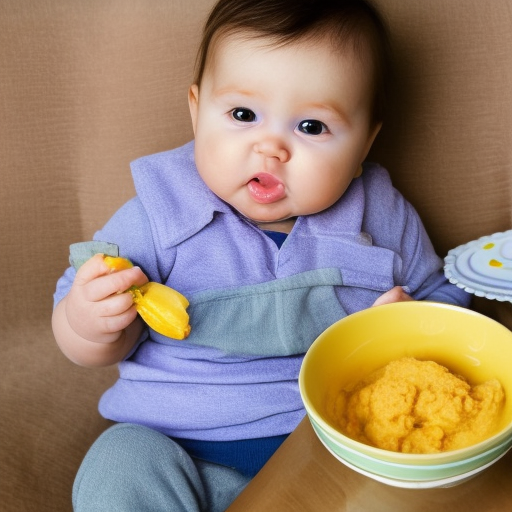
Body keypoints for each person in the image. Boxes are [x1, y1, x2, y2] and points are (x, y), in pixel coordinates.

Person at [52, 0, 471, 510]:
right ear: (196, 108)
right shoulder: (162, 214)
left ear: (365, 143)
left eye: (312, 127)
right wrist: (88, 322)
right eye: (243, 115)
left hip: (329, 454)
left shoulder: (379, 216)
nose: (271, 148)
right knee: (117, 465)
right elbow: (85, 330)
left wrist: (414, 326)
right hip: (175, 444)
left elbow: (441, 295)